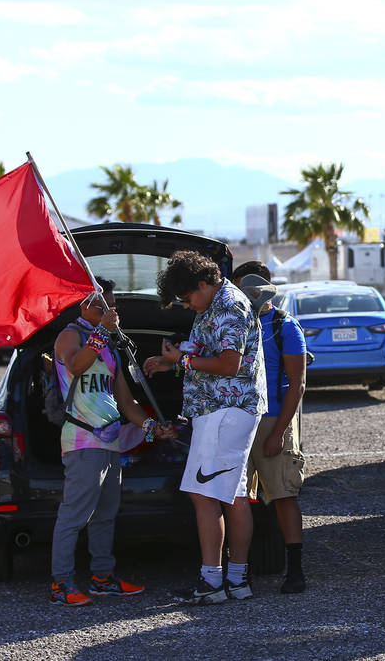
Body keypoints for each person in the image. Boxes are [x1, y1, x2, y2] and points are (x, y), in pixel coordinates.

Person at [143, 251, 266, 605]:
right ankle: (237, 581)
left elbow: (229, 365)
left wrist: (177, 360)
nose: (187, 306)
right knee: (234, 495)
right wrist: (171, 366)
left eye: (187, 298)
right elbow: (210, 356)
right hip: (228, 411)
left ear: (202, 283)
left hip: (224, 411)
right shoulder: (216, 304)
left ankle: (212, 582)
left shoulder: (228, 306)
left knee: (204, 495)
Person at [49, 278, 174, 607]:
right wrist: (103, 331)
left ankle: (102, 577)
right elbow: (76, 366)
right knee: (74, 515)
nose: (111, 310)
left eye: (113, 304)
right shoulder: (70, 336)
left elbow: (126, 402)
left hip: (110, 441)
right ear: (85, 305)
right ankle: (61, 583)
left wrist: (151, 426)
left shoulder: (108, 348)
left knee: (105, 514)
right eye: (104, 304)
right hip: (81, 439)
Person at [231, 260, 308, 594]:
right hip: (236, 421)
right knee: (235, 497)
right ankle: (239, 572)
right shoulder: (232, 324)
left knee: (283, 496)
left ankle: (295, 571)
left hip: (272, 421)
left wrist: (279, 433)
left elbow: (298, 384)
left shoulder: (284, 326)